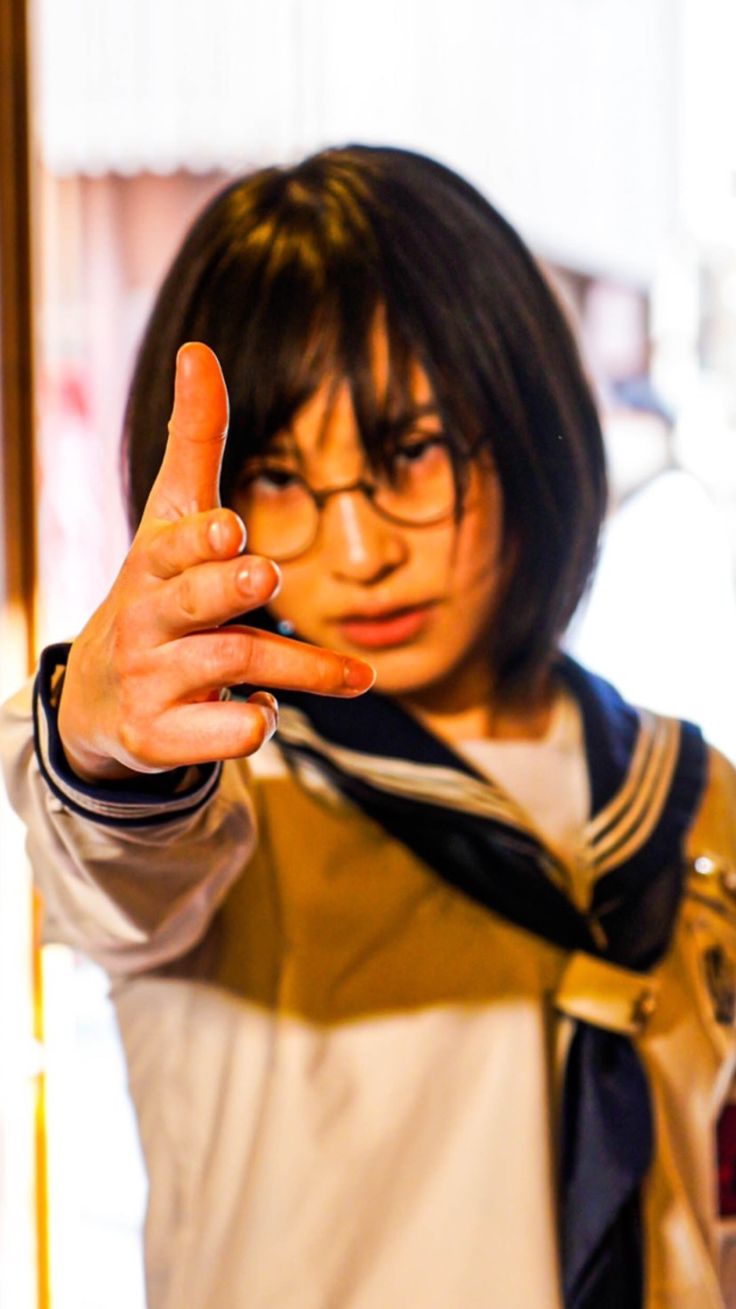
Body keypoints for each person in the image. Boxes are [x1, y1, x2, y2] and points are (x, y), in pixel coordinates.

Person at [2, 144, 736, 1309]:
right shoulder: (230, 783)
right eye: (281, 478)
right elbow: (110, 855)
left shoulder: (692, 798)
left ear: (528, 412)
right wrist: (103, 745)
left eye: (410, 454)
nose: (359, 549)